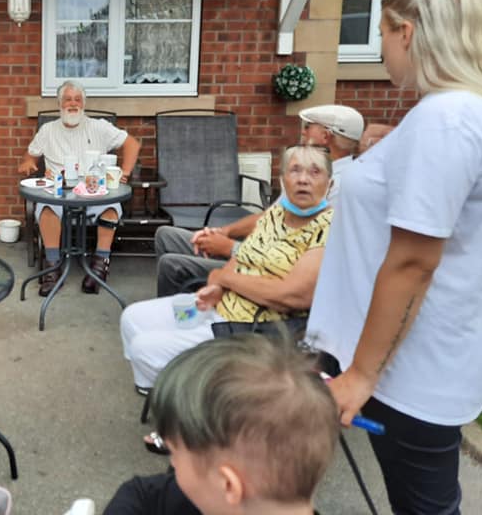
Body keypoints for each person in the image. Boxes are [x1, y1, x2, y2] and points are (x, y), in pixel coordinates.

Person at [305, 0, 482, 514]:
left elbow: (414, 261)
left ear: (406, 32)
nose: (380, 47)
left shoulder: (445, 120)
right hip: (401, 363)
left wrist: (361, 375)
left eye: (382, 32)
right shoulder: (448, 115)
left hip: (404, 375)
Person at [121, 144, 332, 397]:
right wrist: (216, 286)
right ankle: (164, 392)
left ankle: (185, 403)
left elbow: (293, 295)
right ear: (282, 179)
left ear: (329, 184)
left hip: (252, 328)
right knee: (132, 318)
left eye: (315, 172)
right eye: (295, 170)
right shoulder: (277, 214)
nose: (303, 179)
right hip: (220, 306)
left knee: (144, 348)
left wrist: (225, 279)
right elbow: (243, 256)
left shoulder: (327, 228)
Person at [105, 335, 338, 515]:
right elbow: (141, 493)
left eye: (174, 454)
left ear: (228, 485)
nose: (172, 465)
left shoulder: (208, 498)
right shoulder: (215, 496)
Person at [153, 104, 362, 297]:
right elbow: (270, 216)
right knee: (166, 235)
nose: (303, 132)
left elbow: (296, 257)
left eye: (308, 127)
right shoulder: (310, 172)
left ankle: (190, 316)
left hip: (268, 272)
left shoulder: (340, 187)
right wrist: (225, 232)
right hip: (257, 249)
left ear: (325, 136)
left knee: (171, 265)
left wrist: (231, 248)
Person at [17, 80, 140, 295]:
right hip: (59, 193)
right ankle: (53, 266)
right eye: (67, 99)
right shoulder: (48, 130)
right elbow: (30, 155)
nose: (73, 104)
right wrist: (29, 163)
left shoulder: (99, 127)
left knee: (111, 209)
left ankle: (99, 265)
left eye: (77, 99)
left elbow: (132, 144)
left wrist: (125, 173)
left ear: (83, 104)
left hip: (94, 193)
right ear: (59, 104)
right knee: (46, 209)